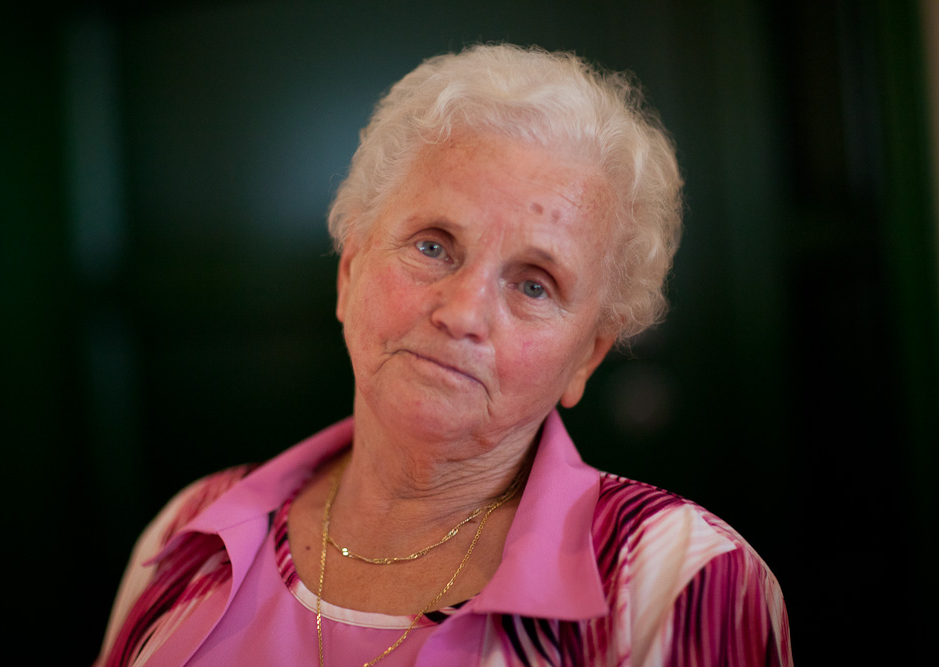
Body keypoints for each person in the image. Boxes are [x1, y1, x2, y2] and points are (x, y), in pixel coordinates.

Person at [94, 43, 792, 667]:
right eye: (433, 246)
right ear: (349, 272)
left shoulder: (681, 578)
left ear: (587, 356)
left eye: (534, 285)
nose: (461, 313)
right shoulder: (189, 532)